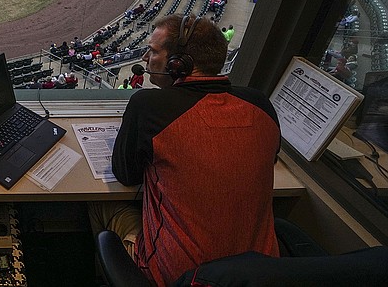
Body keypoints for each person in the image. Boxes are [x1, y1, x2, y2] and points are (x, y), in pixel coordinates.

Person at [91, 15, 280, 286]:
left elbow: (126, 175)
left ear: (177, 64)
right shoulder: (259, 103)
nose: (146, 57)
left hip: (181, 278)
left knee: (100, 205)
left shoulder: (148, 106)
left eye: (154, 51)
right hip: (260, 277)